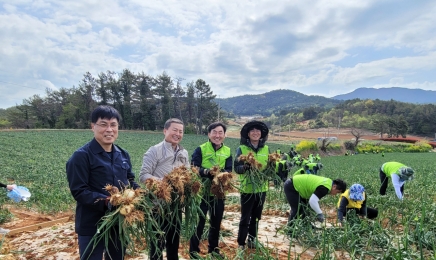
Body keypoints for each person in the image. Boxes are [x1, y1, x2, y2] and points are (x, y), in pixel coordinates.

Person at [66, 105, 140, 260]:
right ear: (93, 126)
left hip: (118, 223)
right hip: (92, 224)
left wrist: (141, 192)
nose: (109, 129)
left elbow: (130, 180)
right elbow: (79, 191)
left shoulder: (123, 154)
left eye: (113, 125)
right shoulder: (81, 156)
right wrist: (107, 201)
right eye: (103, 124)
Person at [139, 118, 190, 260]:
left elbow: (188, 174)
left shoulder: (183, 153)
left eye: (181, 131)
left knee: (174, 241)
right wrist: (165, 182)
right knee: (157, 243)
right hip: (157, 206)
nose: (178, 134)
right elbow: (143, 175)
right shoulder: (154, 151)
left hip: (175, 207)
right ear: (165, 130)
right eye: (175, 130)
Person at [189, 122, 232, 259]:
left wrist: (221, 175)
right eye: (214, 132)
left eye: (220, 133)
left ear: (224, 135)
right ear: (209, 134)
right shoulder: (201, 149)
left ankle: (213, 250)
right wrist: (207, 172)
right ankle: (193, 251)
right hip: (202, 192)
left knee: (215, 223)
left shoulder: (228, 151)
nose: (217, 135)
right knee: (199, 223)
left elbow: (229, 170)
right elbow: (194, 168)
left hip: (218, 193)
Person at [234, 120, 270, 250]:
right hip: (247, 189)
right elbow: (236, 168)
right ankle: (241, 243)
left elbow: (269, 166)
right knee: (245, 217)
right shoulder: (242, 149)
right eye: (252, 131)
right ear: (248, 134)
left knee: (256, 217)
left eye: (258, 131)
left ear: (261, 134)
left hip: (261, 188)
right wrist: (245, 167)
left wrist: (272, 169)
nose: (255, 133)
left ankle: (252, 240)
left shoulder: (266, 148)